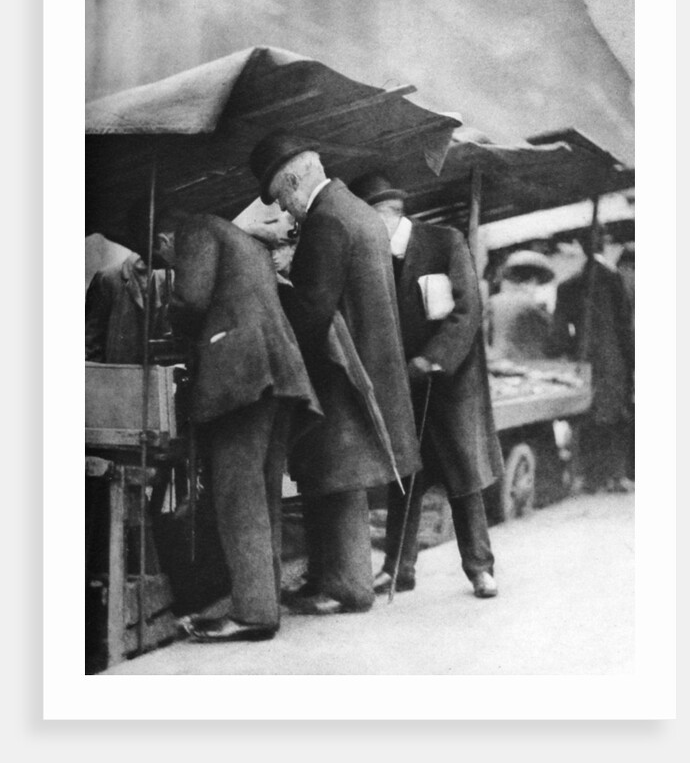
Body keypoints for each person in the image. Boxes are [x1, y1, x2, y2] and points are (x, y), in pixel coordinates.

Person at [249, 132, 421, 615]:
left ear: (296, 179)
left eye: (282, 196)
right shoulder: (358, 211)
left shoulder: (326, 221)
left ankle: (346, 587)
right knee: (341, 475)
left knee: (337, 475)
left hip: (343, 373)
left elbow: (311, 310)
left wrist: (275, 281)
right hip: (373, 363)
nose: (284, 210)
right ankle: (331, 578)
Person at [156, 211, 322, 642]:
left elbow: (190, 299)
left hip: (241, 379)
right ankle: (263, 606)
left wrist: (168, 333)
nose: (168, 263)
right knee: (261, 494)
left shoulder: (194, 229)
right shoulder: (240, 239)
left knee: (236, 494)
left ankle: (252, 614)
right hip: (275, 377)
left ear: (163, 236)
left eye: (162, 256)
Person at [349, 175, 504, 599]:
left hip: (449, 386)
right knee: (405, 478)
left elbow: (467, 311)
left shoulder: (444, 242)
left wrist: (432, 359)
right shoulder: (374, 258)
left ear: (385, 215)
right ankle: (399, 568)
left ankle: (480, 569)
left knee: (463, 478)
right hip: (405, 389)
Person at [548, 234, 634, 493]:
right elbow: (624, 325)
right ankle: (614, 476)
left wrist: (566, 353)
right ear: (602, 245)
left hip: (582, 361)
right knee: (615, 416)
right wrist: (632, 362)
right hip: (613, 360)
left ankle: (586, 476)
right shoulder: (614, 279)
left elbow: (559, 334)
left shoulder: (568, 285)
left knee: (585, 417)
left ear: (581, 246)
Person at [85, 251, 172, 363]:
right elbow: (91, 340)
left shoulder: (165, 279)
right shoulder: (107, 278)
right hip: (117, 372)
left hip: (152, 373)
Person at [485, 250, 555, 362]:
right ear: (534, 279)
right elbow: (549, 337)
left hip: (496, 360)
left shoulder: (494, 301)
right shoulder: (533, 306)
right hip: (526, 363)